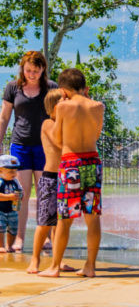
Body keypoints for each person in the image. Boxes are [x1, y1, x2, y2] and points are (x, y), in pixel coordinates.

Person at [38, 68, 104, 278]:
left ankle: (55, 267)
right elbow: (96, 134)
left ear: (64, 90)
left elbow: (58, 140)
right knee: (92, 217)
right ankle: (90, 267)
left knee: (65, 219)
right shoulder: (98, 106)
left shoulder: (63, 106)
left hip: (71, 163)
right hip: (93, 163)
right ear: (84, 87)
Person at [0, 50, 58, 251]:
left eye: (36, 70)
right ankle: (19, 238)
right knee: (21, 194)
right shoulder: (12, 88)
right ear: (22, 69)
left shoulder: (51, 88)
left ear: (43, 69)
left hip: (45, 147)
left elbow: (58, 117)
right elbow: (4, 117)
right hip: (20, 146)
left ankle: (47, 236)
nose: (32, 74)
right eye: (28, 70)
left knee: (45, 194)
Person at [27, 89, 75, 274]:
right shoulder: (48, 123)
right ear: (56, 107)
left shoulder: (64, 124)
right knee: (45, 222)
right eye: (65, 104)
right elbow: (58, 141)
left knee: (61, 221)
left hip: (64, 177)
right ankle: (35, 259)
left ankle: (58, 259)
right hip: (50, 178)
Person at [0, 155, 23, 252]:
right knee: (0, 228)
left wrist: (21, 196)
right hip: (0, 211)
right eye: (10, 171)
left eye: (15, 170)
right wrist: (9, 197)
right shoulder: (0, 182)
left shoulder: (15, 182)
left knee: (13, 229)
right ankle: (1, 245)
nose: (14, 173)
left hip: (12, 210)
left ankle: (9, 246)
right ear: (0, 171)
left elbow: (21, 191)